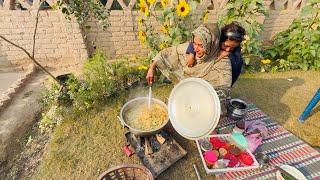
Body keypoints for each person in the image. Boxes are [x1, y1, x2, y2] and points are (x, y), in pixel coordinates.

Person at [146, 22, 245, 90]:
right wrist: (152, 68)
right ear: (218, 40)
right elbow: (166, 54)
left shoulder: (226, 60)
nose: (227, 49)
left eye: (201, 46)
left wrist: (228, 54)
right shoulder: (201, 43)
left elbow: (223, 87)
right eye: (226, 46)